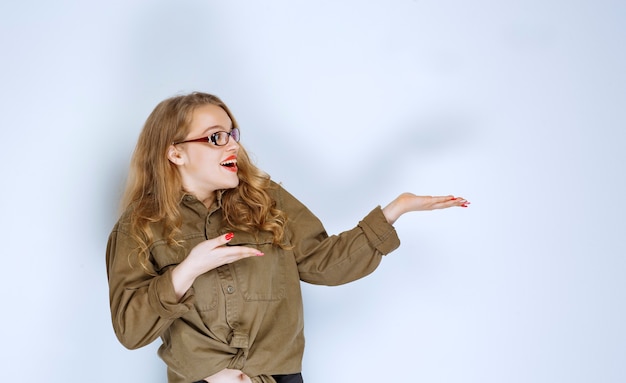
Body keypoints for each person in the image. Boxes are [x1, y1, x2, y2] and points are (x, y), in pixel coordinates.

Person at [106, 91, 470, 383]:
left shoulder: (265, 200)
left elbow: (324, 263)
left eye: (232, 135)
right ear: (176, 152)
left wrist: (395, 210)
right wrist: (186, 271)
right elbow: (130, 330)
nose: (232, 145)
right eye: (216, 137)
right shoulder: (137, 227)